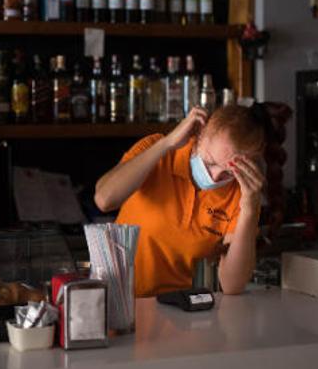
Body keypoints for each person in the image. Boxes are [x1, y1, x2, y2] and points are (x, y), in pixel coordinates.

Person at [94, 104, 271, 296]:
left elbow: (232, 285)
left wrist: (250, 209)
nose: (214, 176)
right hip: (120, 299)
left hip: (179, 308)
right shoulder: (159, 150)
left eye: (229, 172)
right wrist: (166, 143)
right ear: (198, 135)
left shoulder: (241, 193)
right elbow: (104, 200)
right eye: (210, 162)